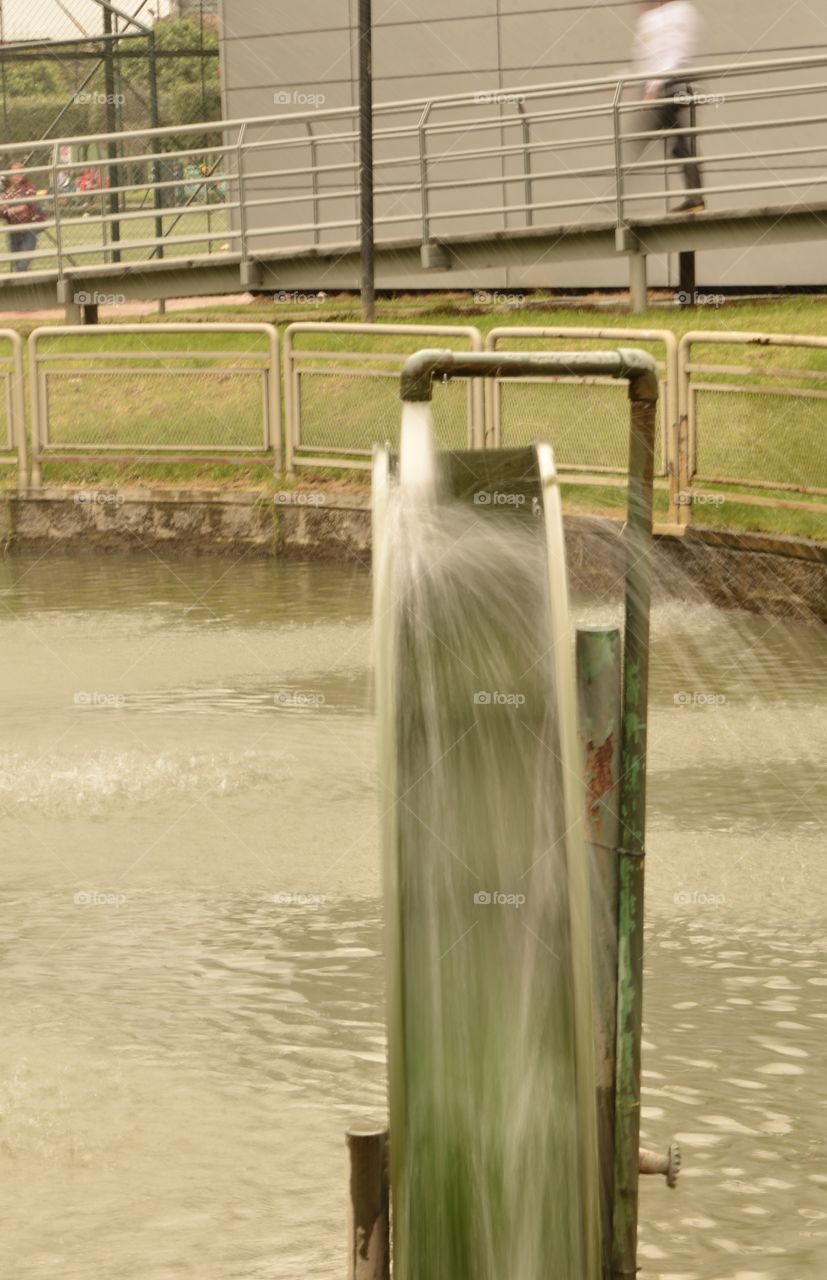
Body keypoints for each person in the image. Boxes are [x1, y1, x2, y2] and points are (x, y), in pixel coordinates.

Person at [631, 0, 705, 214]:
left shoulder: (663, 16)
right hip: (676, 85)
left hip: (670, 86)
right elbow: (657, 55)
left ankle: (619, 196)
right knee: (681, 144)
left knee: (641, 139)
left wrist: (651, 89)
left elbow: (666, 54)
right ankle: (695, 200)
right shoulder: (675, 13)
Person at [2, 161, 46, 271]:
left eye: (21, 172)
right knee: (17, 259)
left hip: (29, 227)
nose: (18, 175)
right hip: (15, 228)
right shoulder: (6, 191)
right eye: (14, 173)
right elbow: (3, 211)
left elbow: (28, 205)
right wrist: (4, 208)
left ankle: (24, 276)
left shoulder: (29, 187)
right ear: (9, 176)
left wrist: (13, 208)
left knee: (22, 264)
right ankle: (26, 281)